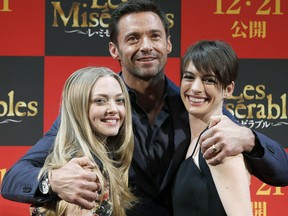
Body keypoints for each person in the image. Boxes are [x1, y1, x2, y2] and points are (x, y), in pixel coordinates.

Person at [1, 1, 288, 216]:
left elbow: (281, 172)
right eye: (133, 38)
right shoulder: (94, 112)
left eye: (154, 36)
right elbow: (14, 177)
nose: (146, 46)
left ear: (168, 44)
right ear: (115, 50)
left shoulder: (195, 105)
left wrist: (250, 138)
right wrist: (52, 181)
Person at [30, 66, 136, 215]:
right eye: (100, 101)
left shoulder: (98, 159)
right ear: (78, 107)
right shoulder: (81, 170)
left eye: (119, 100)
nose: (113, 108)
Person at [172, 40, 253, 216]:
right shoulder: (195, 140)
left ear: (228, 89)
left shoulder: (221, 146)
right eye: (189, 77)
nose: (195, 88)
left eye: (209, 80)